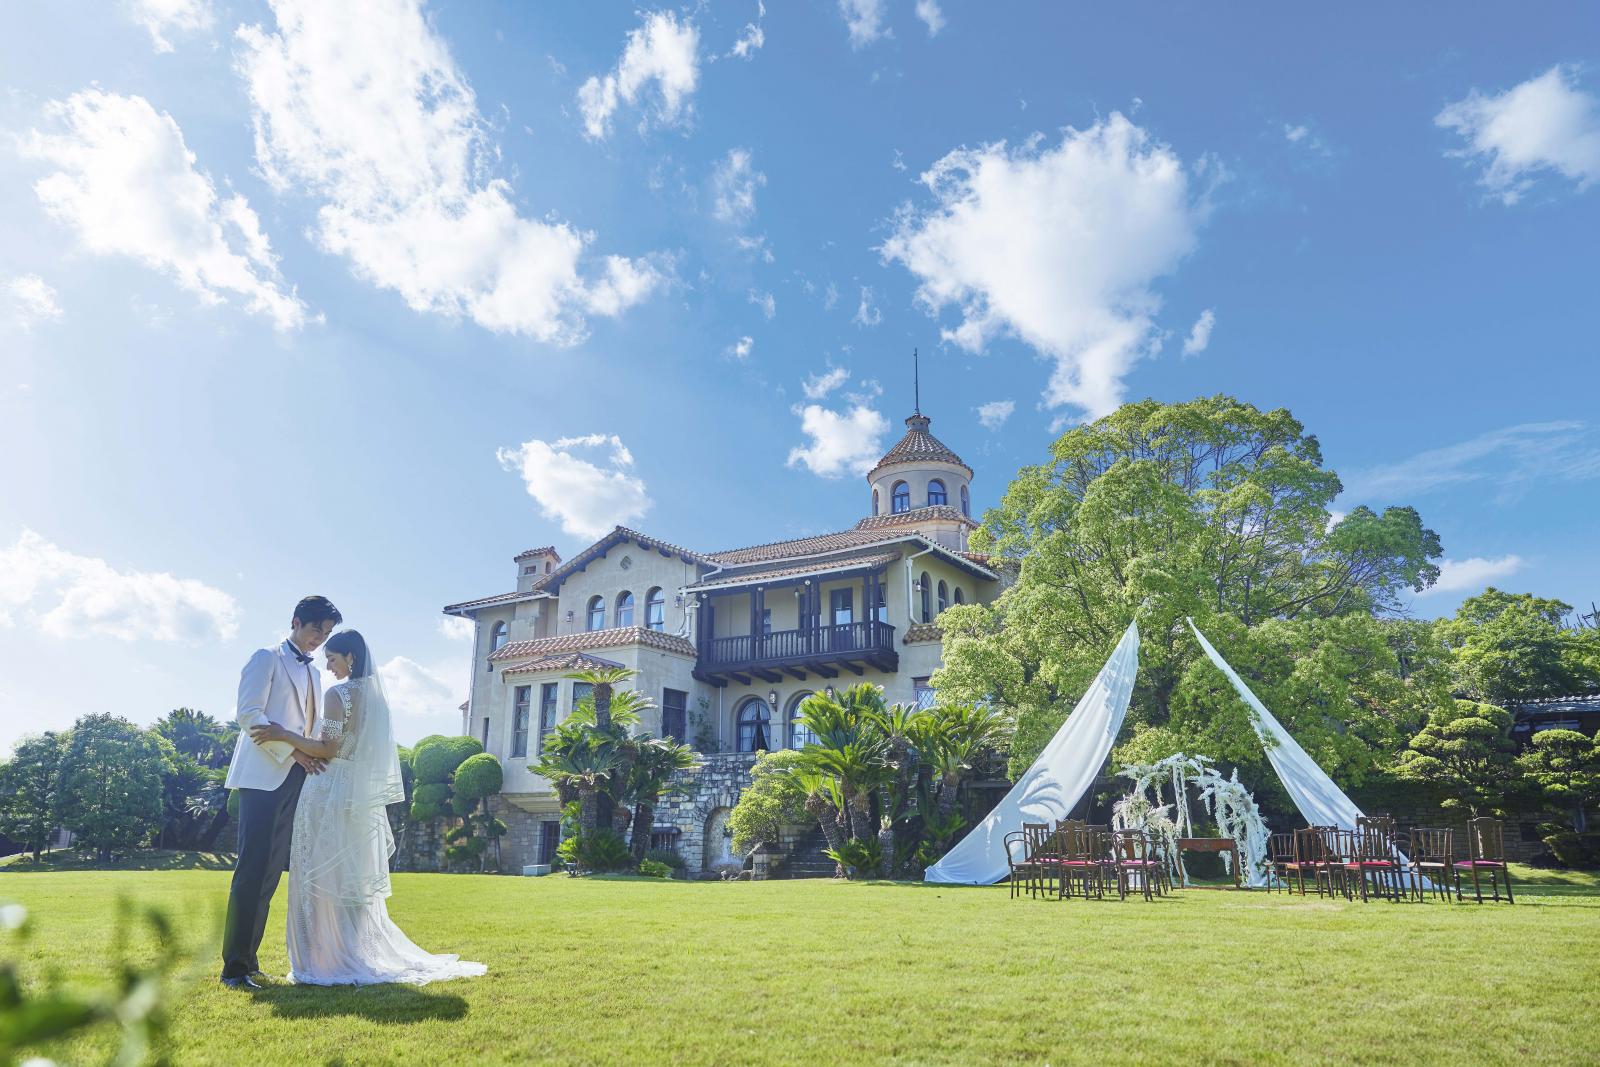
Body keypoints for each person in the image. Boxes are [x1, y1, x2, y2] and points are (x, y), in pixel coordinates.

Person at [249, 629, 486, 986]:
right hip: (356, 797)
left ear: (351, 659)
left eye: (332, 659)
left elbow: (326, 749)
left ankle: (322, 960)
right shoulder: (377, 701)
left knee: (316, 873)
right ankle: (348, 951)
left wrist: (284, 734)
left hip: (328, 790)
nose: (328, 666)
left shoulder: (338, 695)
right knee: (348, 878)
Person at [220, 595, 341, 990]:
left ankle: (249, 960)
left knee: (271, 873)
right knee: (251, 870)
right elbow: (249, 715)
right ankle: (233, 969)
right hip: (262, 775)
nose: (318, 641)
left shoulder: (315, 674)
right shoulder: (265, 657)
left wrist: (313, 754)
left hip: (297, 776)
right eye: (314, 631)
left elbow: (311, 725)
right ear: (295, 622)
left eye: (325, 635)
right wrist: (294, 752)